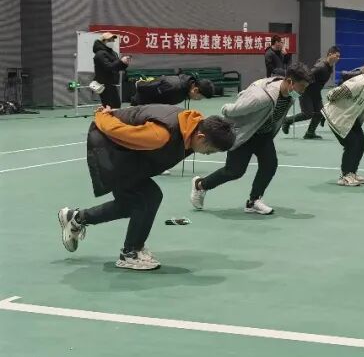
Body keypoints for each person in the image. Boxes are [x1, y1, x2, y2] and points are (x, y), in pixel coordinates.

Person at [57, 104, 234, 270]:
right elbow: (116, 130)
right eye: (210, 151)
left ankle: (76, 218)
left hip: (128, 153)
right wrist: (102, 115)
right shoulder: (160, 135)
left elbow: (141, 112)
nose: (207, 154)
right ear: (201, 137)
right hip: (109, 147)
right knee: (147, 198)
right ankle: (130, 253)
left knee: (131, 204)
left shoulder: (193, 125)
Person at [190, 63, 311, 215]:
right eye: (302, 86)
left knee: (269, 165)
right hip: (245, 135)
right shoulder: (261, 98)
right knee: (234, 171)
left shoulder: (290, 94)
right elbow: (230, 110)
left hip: (264, 134)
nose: (303, 91)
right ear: (290, 82)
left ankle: (254, 201)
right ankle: (200, 185)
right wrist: (227, 120)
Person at [283, 46, 341, 139]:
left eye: (339, 56)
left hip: (316, 92)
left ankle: (310, 133)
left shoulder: (329, 66)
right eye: (336, 56)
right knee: (307, 114)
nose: (338, 58)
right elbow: (307, 76)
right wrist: (295, 90)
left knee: (320, 113)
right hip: (306, 92)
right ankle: (287, 121)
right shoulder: (320, 67)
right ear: (330, 54)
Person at [90, 33, 131, 109]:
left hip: (111, 83)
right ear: (103, 41)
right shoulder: (100, 54)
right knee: (110, 106)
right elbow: (108, 67)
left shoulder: (112, 53)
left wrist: (124, 63)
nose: (112, 42)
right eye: (109, 40)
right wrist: (120, 61)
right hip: (104, 84)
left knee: (115, 105)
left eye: (113, 40)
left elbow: (116, 67)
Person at [130, 73, 215, 106]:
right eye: (200, 97)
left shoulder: (184, 87)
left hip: (152, 106)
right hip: (141, 105)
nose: (199, 100)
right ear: (195, 90)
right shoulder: (174, 87)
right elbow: (142, 87)